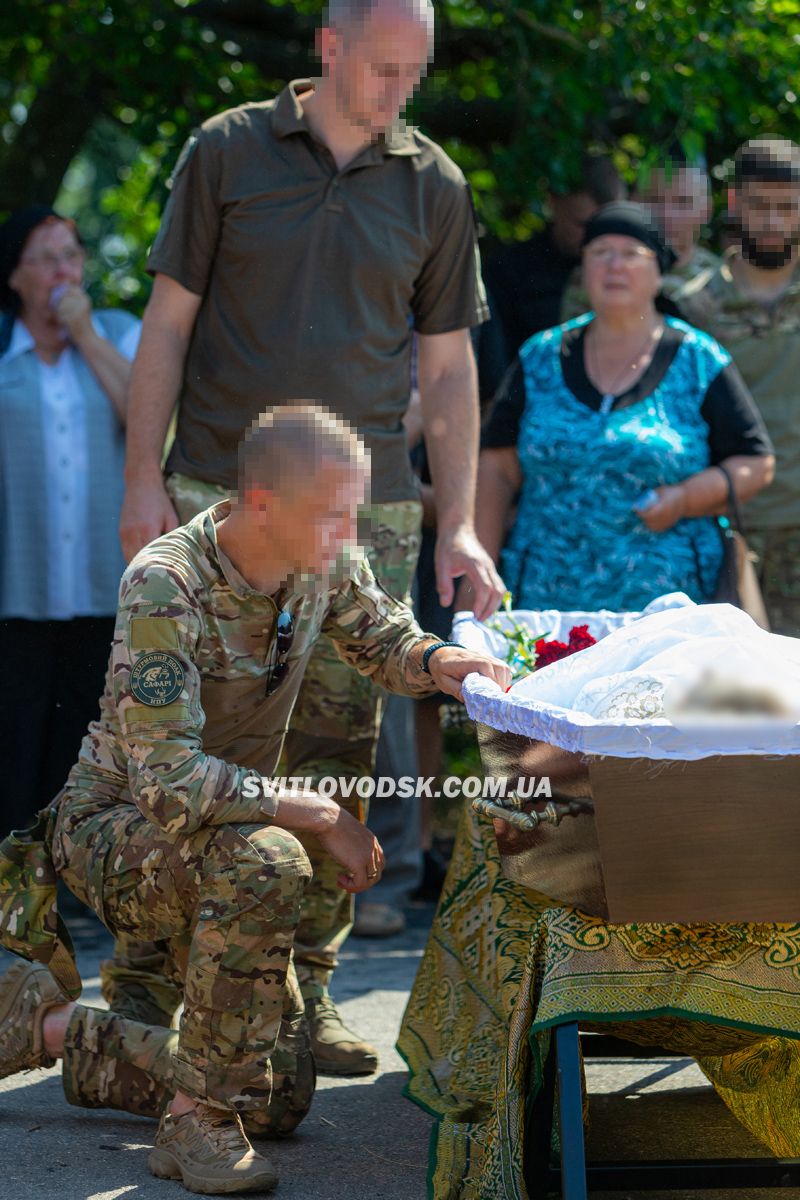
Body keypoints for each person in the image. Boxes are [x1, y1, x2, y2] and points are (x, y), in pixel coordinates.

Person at [110, 0, 504, 1074]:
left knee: (338, 752)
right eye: (381, 68)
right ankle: (153, 983)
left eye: (414, 74)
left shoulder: (434, 185)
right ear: (327, 49)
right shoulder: (227, 150)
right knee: (200, 747)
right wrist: (141, 480)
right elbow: (168, 323)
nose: (396, 93)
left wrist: (457, 522)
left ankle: (308, 995)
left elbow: (450, 367)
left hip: (358, 514)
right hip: (221, 497)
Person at [0, 405, 510, 1196]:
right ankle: (194, 1120)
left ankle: (57, 1027)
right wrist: (323, 815)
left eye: (353, 513)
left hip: (215, 831)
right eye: (333, 514)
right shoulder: (166, 582)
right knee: (270, 859)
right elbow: (171, 784)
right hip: (114, 829)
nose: (349, 534)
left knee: (276, 1100)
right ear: (263, 501)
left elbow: (382, 636)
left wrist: (448, 663)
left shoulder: (318, 554)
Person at [462, 201, 775, 614]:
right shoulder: (541, 356)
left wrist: (684, 499)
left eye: (630, 253)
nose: (614, 265)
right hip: (548, 610)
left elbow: (756, 463)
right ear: (583, 267)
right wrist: (474, 591)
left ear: (659, 271)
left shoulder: (698, 360)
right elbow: (497, 468)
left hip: (667, 615)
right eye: (600, 252)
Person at [0, 206, 140, 836]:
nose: (65, 270)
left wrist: (86, 336)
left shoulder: (118, 334)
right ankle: (12, 882)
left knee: (87, 732)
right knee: (13, 731)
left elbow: (148, 419)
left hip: (100, 581)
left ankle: (78, 872)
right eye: (47, 258)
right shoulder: (5, 352)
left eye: (72, 255)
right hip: (16, 584)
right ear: (15, 276)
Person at [677, 138, 800, 633]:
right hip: (725, 529)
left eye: (788, 207)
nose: (773, 222)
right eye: (760, 205)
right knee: (741, 697)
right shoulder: (692, 307)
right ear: (734, 203)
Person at [482, 154, 625, 368]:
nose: (595, 239)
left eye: (607, 225)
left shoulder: (636, 272)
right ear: (552, 203)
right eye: (583, 224)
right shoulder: (509, 271)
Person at [561, 152, 719, 322]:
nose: (666, 215)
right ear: (632, 202)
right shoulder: (602, 273)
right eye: (654, 200)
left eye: (683, 202)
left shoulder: (722, 280)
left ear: (707, 210)